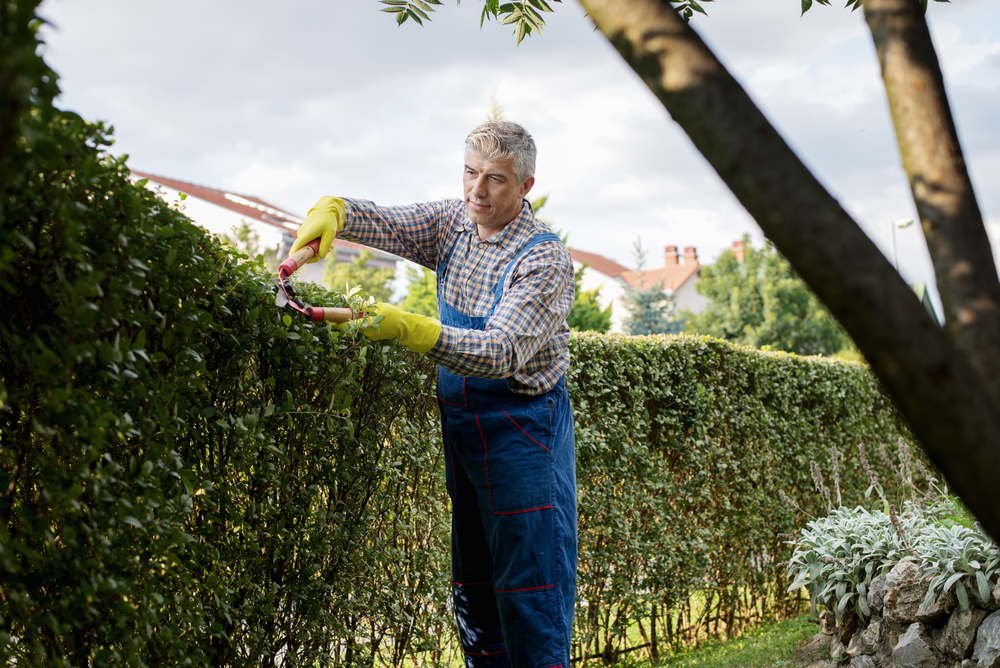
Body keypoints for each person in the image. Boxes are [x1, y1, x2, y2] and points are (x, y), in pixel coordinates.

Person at [290, 120, 577, 668]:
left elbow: (500, 352)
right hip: (465, 434)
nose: (477, 190)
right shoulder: (454, 224)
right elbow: (389, 223)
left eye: (495, 179)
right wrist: (335, 212)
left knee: (529, 592)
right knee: (475, 588)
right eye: (470, 173)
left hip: (523, 434)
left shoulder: (543, 260)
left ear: (525, 187)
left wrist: (407, 327)